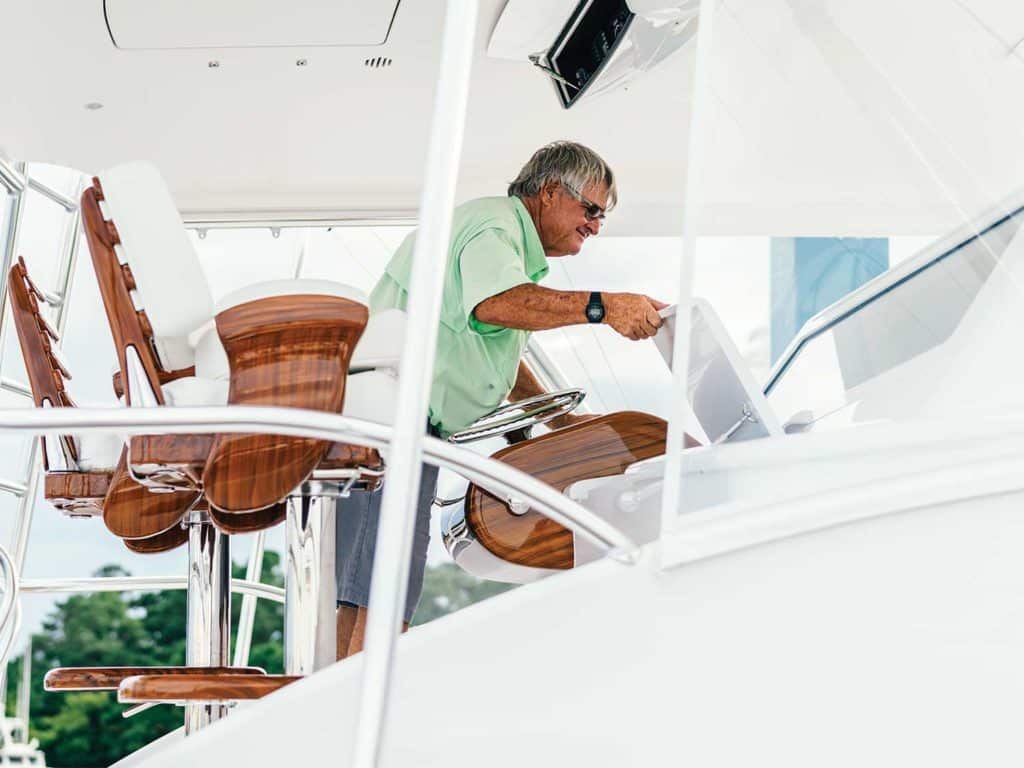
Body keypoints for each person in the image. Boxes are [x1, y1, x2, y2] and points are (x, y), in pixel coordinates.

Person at [336, 140, 666, 658]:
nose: (596, 226)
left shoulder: (503, 240)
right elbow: (496, 306)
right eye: (592, 210)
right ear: (553, 192)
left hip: (379, 419)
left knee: (366, 588)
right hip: (392, 421)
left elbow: (493, 353)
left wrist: (557, 420)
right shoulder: (495, 230)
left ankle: (339, 706)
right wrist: (604, 307)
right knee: (387, 584)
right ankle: (358, 711)